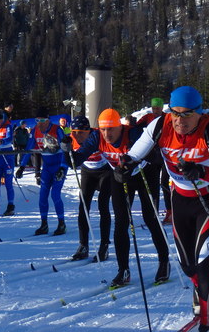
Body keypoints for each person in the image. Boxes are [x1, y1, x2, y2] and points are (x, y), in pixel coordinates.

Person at [125, 86, 209, 332]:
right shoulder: (159, 125)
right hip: (181, 198)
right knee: (187, 266)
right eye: (175, 113)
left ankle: (207, 327)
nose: (179, 120)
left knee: (204, 262)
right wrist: (124, 167)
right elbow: (134, 155)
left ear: (199, 114)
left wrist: (201, 171)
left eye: (186, 115)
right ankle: (199, 290)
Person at [68, 108, 170, 287]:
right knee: (121, 221)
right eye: (103, 129)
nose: (107, 134)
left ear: (120, 127)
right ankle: (123, 270)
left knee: (150, 218)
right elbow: (76, 160)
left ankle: (164, 261)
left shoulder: (133, 133)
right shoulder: (96, 137)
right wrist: (66, 150)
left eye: (111, 129)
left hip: (145, 174)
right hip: (120, 176)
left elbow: (156, 157)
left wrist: (135, 160)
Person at [16, 107, 68, 235]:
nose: (40, 123)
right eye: (37, 120)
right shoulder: (35, 131)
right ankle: (44, 224)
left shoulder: (57, 130)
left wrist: (63, 167)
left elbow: (65, 151)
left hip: (58, 166)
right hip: (47, 168)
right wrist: (22, 167)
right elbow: (29, 149)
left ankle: (61, 223)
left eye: (42, 120)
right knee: (43, 196)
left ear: (48, 120)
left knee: (55, 195)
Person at [67, 115, 111, 261]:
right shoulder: (71, 139)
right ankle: (83, 245)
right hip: (88, 172)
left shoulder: (97, 136)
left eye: (81, 132)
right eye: (74, 132)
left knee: (103, 205)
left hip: (105, 171)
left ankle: (104, 246)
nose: (76, 136)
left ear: (88, 131)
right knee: (83, 207)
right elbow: (70, 160)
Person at [136, 98, 172, 224]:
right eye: (153, 108)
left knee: (164, 183)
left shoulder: (167, 118)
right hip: (152, 156)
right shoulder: (147, 117)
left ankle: (170, 212)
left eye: (157, 108)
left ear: (162, 108)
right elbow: (135, 129)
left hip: (165, 154)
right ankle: (154, 215)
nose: (155, 110)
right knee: (154, 185)